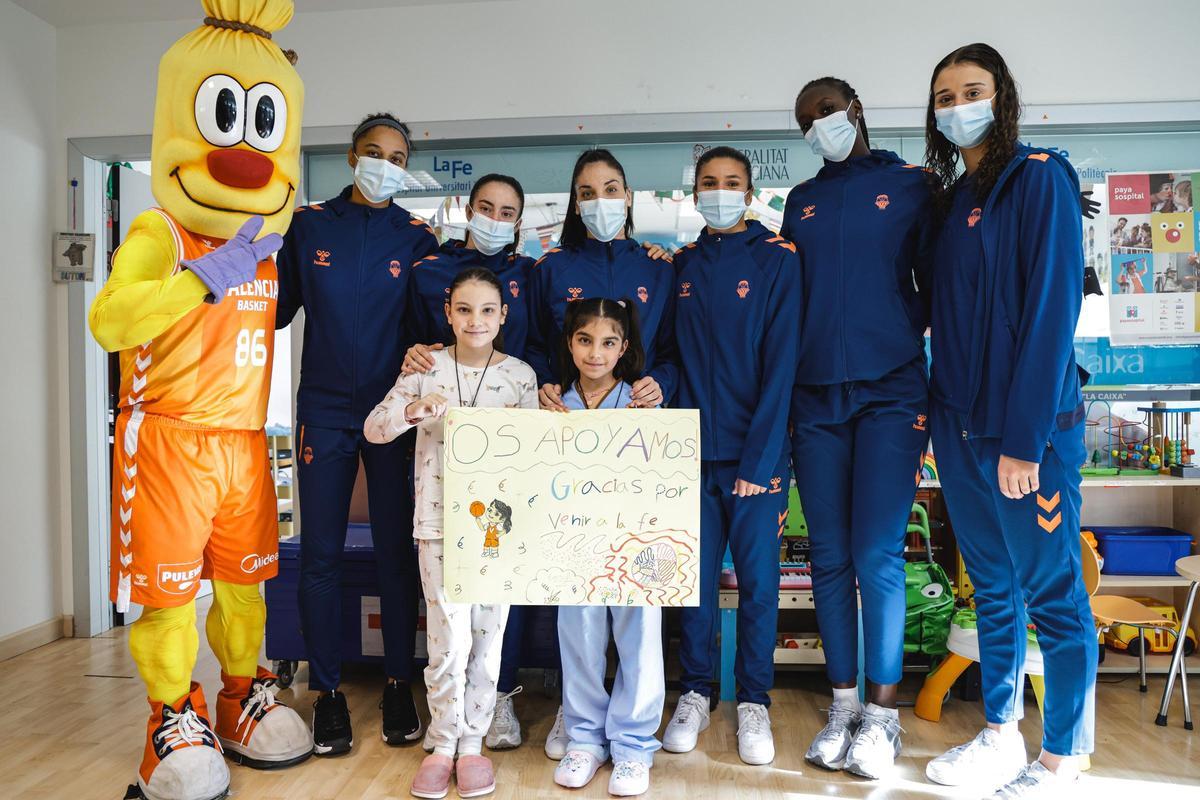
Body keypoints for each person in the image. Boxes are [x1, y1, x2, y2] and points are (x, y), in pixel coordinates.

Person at [87, 4, 312, 798]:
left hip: (246, 442)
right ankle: (168, 718)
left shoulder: (270, 248)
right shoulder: (160, 231)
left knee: (247, 589)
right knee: (169, 596)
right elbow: (109, 321)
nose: (246, 154)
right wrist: (196, 281)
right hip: (169, 443)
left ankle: (240, 696)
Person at [922, 43, 1095, 799]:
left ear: (1004, 96)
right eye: (945, 95)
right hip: (958, 429)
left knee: (1053, 595)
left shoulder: (1042, 180)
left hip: (1027, 436)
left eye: (973, 90)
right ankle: (998, 733)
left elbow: (1053, 315)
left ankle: (1063, 757)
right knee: (991, 591)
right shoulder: (950, 201)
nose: (959, 105)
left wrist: (1024, 440)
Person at [780, 77, 934, 779]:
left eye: (828, 112)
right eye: (807, 120)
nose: (820, 126)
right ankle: (842, 705)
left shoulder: (912, 184)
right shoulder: (801, 202)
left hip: (892, 392)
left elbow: (947, 275)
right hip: (816, 397)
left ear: (857, 111)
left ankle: (882, 718)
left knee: (877, 555)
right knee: (829, 558)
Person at [276, 112, 437, 754]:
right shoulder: (310, 225)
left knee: (398, 554)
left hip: (393, 415)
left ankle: (400, 682)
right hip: (323, 410)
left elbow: (435, 328)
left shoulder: (418, 238)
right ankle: (330, 695)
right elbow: (274, 309)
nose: (385, 165)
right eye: (375, 152)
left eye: (397, 157)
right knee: (319, 554)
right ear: (351, 156)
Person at [365, 267, 538, 798]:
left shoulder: (520, 376)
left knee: (488, 641)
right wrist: (413, 411)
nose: (476, 320)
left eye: (487, 310)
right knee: (446, 641)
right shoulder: (425, 369)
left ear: (503, 315)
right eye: (464, 309)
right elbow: (375, 429)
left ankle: (473, 744)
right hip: (437, 524)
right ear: (448, 313)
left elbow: (536, 455)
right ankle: (443, 742)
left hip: (498, 530)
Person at [662, 147, 800, 766]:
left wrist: (761, 460)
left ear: (749, 192)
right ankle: (694, 691)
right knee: (690, 583)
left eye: (732, 183)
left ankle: (753, 701)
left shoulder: (776, 259)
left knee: (758, 586)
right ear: (694, 195)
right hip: (691, 455)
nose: (720, 191)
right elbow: (664, 356)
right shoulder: (681, 265)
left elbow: (782, 367)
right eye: (709, 184)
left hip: (755, 458)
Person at [549, 298, 665, 797]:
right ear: (570, 343)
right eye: (584, 340)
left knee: (639, 635)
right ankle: (584, 738)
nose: (596, 353)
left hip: (636, 544)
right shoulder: (552, 404)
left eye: (608, 342)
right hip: (573, 543)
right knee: (577, 633)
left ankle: (634, 746)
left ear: (625, 347)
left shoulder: (642, 404)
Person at [528, 148, 678, 413]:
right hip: (566, 416)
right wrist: (543, 383)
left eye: (610, 190)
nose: (600, 201)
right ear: (576, 204)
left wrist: (661, 383)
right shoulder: (551, 268)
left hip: (639, 421)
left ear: (627, 196)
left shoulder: (658, 269)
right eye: (587, 194)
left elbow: (672, 351)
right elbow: (533, 345)